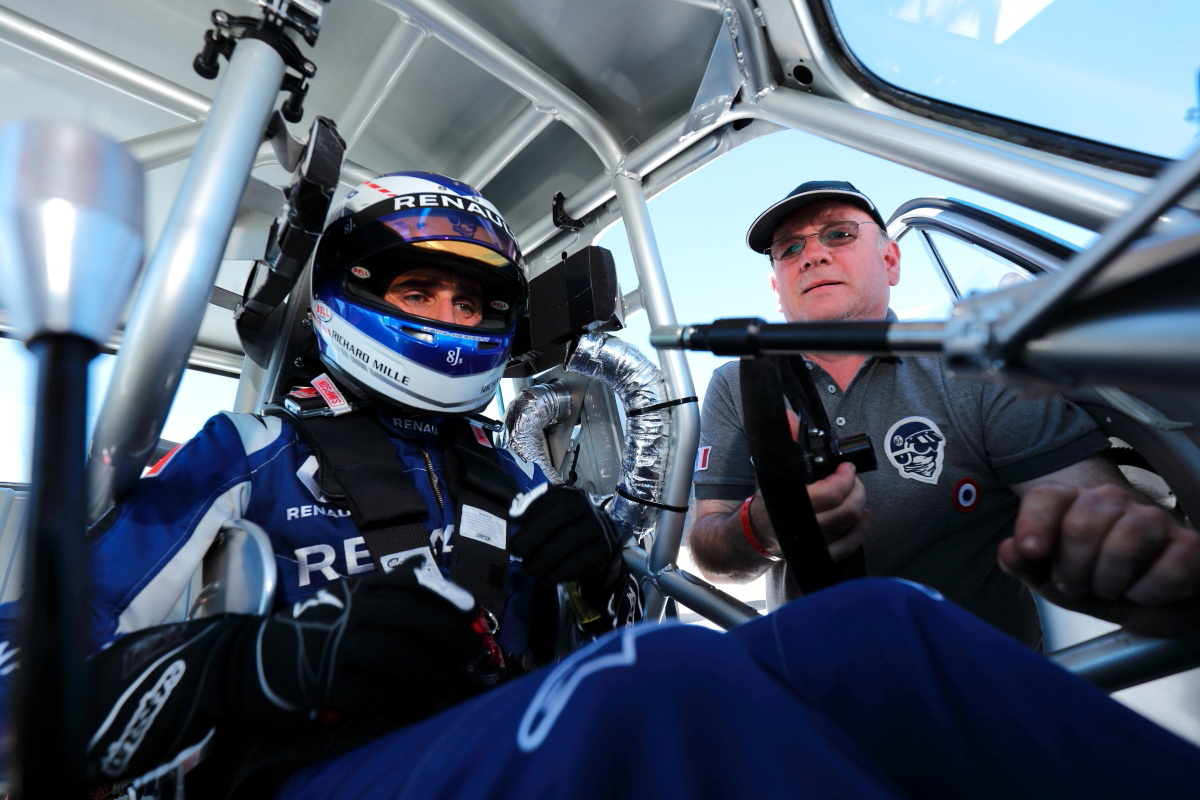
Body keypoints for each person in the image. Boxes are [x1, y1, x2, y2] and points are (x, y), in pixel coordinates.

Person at [2, 173, 1200, 799]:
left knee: (877, 624)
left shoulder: (513, 472)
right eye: (418, 291)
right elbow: (23, 675)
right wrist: (249, 663)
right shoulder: (239, 450)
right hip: (297, 776)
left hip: (490, 751)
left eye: (473, 302)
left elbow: (572, 653)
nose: (449, 319)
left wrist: (578, 597)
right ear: (351, 293)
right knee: (660, 678)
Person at [687, 180, 1200, 647]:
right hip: (823, 686)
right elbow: (711, 551)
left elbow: (1086, 498)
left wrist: (1119, 540)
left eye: (838, 234)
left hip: (987, 682)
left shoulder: (972, 365)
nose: (812, 255)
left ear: (890, 261)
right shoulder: (737, 385)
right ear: (776, 287)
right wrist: (760, 528)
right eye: (789, 248)